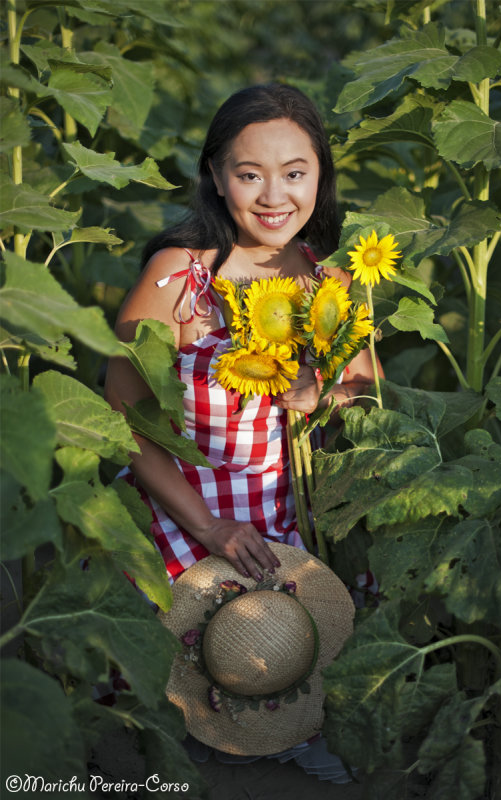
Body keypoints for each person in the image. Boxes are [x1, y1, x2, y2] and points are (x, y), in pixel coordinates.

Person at [105, 83, 377, 587]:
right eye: (250, 175)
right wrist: (210, 526)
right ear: (216, 175)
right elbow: (125, 417)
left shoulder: (331, 281)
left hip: (296, 539)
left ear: (320, 172)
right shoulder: (180, 280)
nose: (274, 197)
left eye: (295, 174)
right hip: (181, 530)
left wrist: (326, 397)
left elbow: (369, 392)